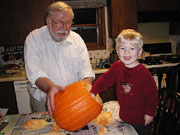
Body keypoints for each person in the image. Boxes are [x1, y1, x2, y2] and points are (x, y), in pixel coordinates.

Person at [24, 1, 95, 115]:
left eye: (69, 23)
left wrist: (85, 91)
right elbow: (35, 73)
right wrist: (51, 88)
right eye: (61, 23)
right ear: (48, 21)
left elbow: (86, 71)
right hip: (43, 101)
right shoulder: (34, 38)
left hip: (72, 102)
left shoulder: (77, 40)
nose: (66, 28)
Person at [90, 29, 158, 135]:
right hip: (124, 117)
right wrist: (93, 91)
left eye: (132, 48)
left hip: (140, 120)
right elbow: (105, 80)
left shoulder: (144, 73)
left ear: (140, 52)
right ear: (117, 51)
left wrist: (150, 113)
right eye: (123, 48)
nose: (127, 52)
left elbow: (152, 96)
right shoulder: (117, 67)